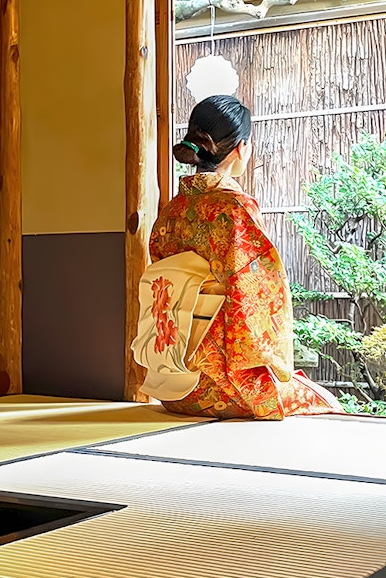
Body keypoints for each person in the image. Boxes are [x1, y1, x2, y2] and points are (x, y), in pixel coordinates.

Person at [145, 94, 341, 420]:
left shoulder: (172, 211)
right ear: (241, 148)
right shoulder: (234, 206)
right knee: (323, 401)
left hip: (175, 384)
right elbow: (257, 293)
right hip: (225, 386)